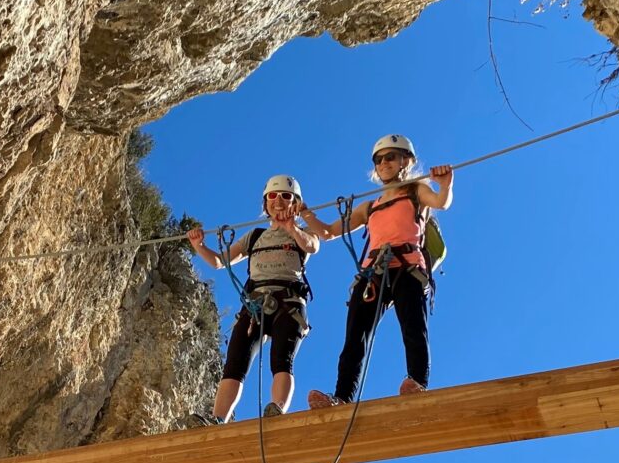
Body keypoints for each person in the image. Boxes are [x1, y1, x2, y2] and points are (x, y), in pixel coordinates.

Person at [302, 133, 453, 408]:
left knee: (413, 326)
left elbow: (441, 202)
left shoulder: (415, 191)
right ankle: (342, 397)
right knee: (355, 337)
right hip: (373, 272)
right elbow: (329, 232)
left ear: (406, 161)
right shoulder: (369, 207)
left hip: (407, 266)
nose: (384, 163)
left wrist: (445, 185)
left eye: (391, 157)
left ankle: (417, 382)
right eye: (379, 160)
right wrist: (305, 214)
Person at [187, 174, 321, 421]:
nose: (278, 201)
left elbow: (312, 246)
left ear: (296, 203)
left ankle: (277, 409)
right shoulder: (255, 236)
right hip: (255, 304)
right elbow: (220, 262)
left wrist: (291, 226)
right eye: (272, 196)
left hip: (288, 302)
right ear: (265, 203)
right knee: (235, 363)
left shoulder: (303, 234)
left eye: (285, 196)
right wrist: (199, 245)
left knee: (282, 359)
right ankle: (218, 419)